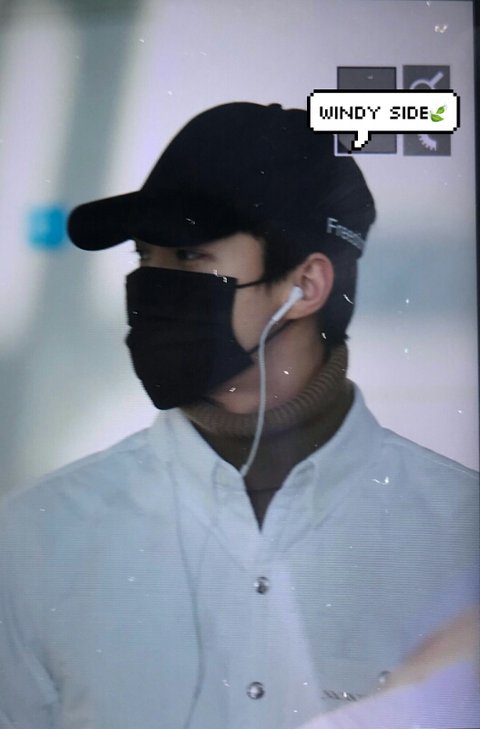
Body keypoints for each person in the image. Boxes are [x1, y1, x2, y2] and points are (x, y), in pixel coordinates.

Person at [0, 102, 477, 729]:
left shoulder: (461, 534)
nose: (153, 285)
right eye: (145, 257)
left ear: (306, 286)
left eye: (189, 257)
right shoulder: (35, 540)